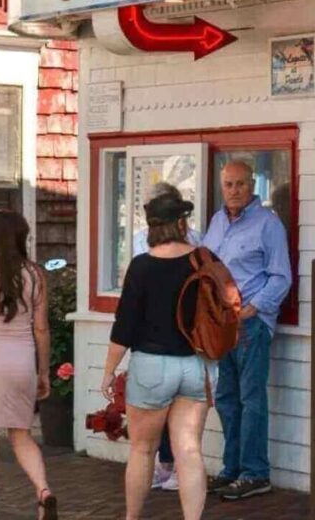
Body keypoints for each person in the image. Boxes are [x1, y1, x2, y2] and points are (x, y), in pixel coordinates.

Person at [101, 191, 216, 520]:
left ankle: (132, 518)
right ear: (181, 223)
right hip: (196, 365)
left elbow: (125, 327)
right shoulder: (204, 259)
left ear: (151, 227)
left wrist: (108, 371)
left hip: (151, 366)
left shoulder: (142, 266)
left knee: (142, 450)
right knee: (189, 451)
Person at [203, 160, 291, 501]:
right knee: (226, 398)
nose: (234, 190)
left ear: (252, 185)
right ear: (222, 186)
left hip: (251, 324)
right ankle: (233, 469)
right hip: (221, 324)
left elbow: (281, 276)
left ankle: (255, 473)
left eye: (240, 184)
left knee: (251, 398)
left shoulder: (268, 224)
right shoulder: (217, 221)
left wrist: (253, 308)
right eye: (229, 184)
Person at [0, 210, 58, 520]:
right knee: (22, 435)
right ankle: (44, 491)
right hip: (22, 362)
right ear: (22, 238)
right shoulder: (36, 275)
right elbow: (41, 329)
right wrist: (43, 372)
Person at [131, 181, 203, 493]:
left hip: (156, 346)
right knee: (186, 437)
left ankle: (166, 467)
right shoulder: (199, 249)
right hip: (190, 348)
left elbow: (133, 303)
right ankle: (169, 465)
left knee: (145, 441)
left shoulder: (144, 249)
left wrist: (110, 368)